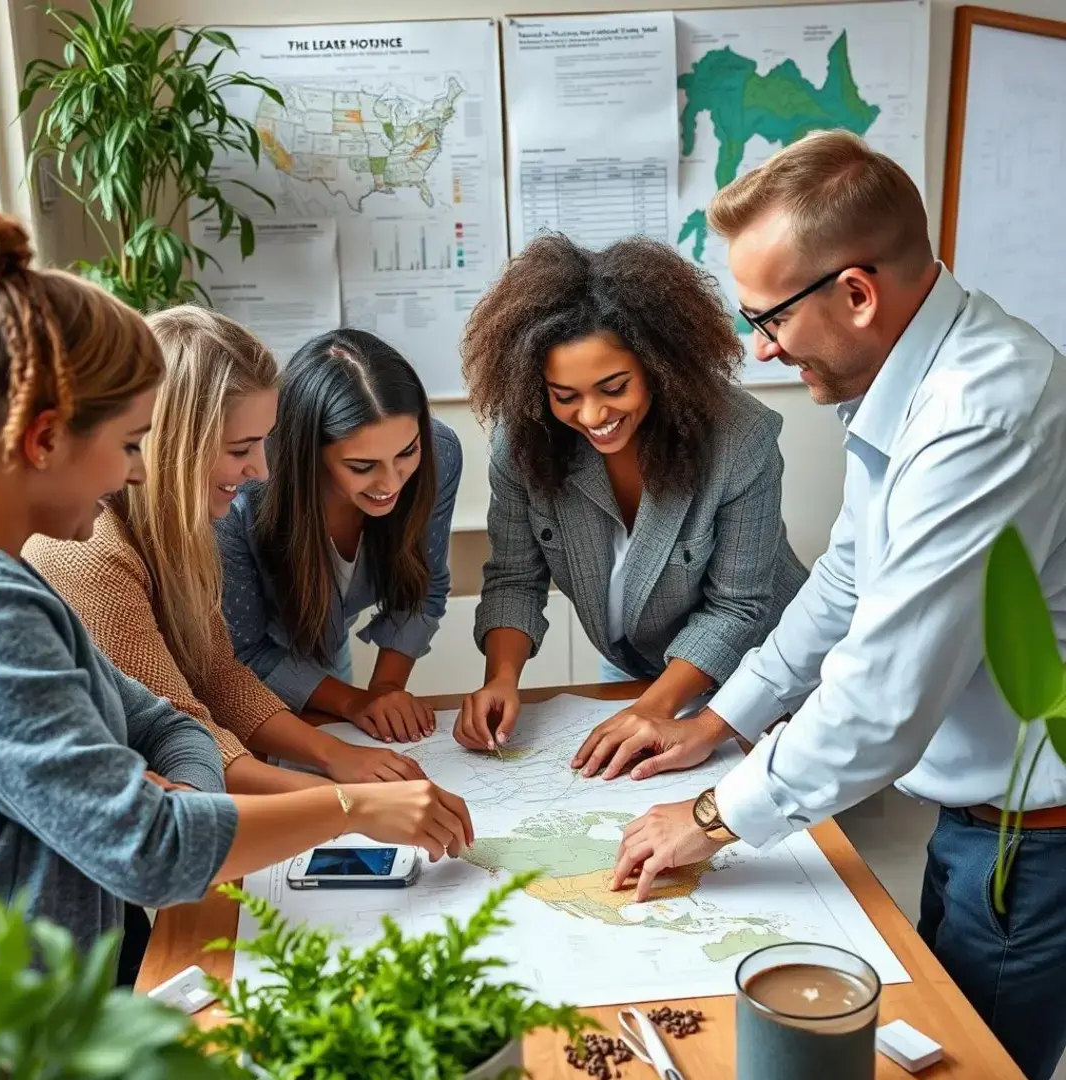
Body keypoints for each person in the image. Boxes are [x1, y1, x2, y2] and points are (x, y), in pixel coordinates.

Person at [598, 132, 1066, 1080]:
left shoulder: (982, 412)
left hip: (1037, 841)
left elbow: (883, 698)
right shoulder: (909, 382)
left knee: (975, 1064)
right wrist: (723, 719)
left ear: (856, 294)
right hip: (974, 820)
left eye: (768, 318)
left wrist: (712, 816)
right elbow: (848, 584)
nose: (760, 346)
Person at [0, 211, 471, 977]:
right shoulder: (15, 603)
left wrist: (177, 789)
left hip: (92, 966)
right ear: (45, 440)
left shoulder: (24, 589)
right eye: (128, 445)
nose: (134, 473)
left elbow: (179, 725)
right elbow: (154, 847)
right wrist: (345, 807)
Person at [25, 306, 423, 791]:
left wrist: (336, 755)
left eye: (264, 444)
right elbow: (175, 729)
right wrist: (343, 799)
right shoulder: (89, 554)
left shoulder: (182, 529)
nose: (262, 470)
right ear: (174, 443)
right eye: (241, 449)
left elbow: (217, 673)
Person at [454, 233, 806, 763]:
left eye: (614, 387)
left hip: (757, 671)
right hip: (634, 666)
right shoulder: (523, 441)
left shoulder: (741, 440)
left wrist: (655, 707)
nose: (593, 415)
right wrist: (502, 678)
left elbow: (737, 608)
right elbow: (515, 578)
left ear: (659, 369)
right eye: (565, 396)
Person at [217, 328, 462, 745]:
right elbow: (245, 652)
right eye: (362, 465)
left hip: (325, 642)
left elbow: (425, 588)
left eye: (406, 452)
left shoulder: (440, 453)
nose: (391, 483)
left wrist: (383, 690)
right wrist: (353, 701)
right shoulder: (241, 498)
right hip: (244, 672)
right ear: (308, 453)